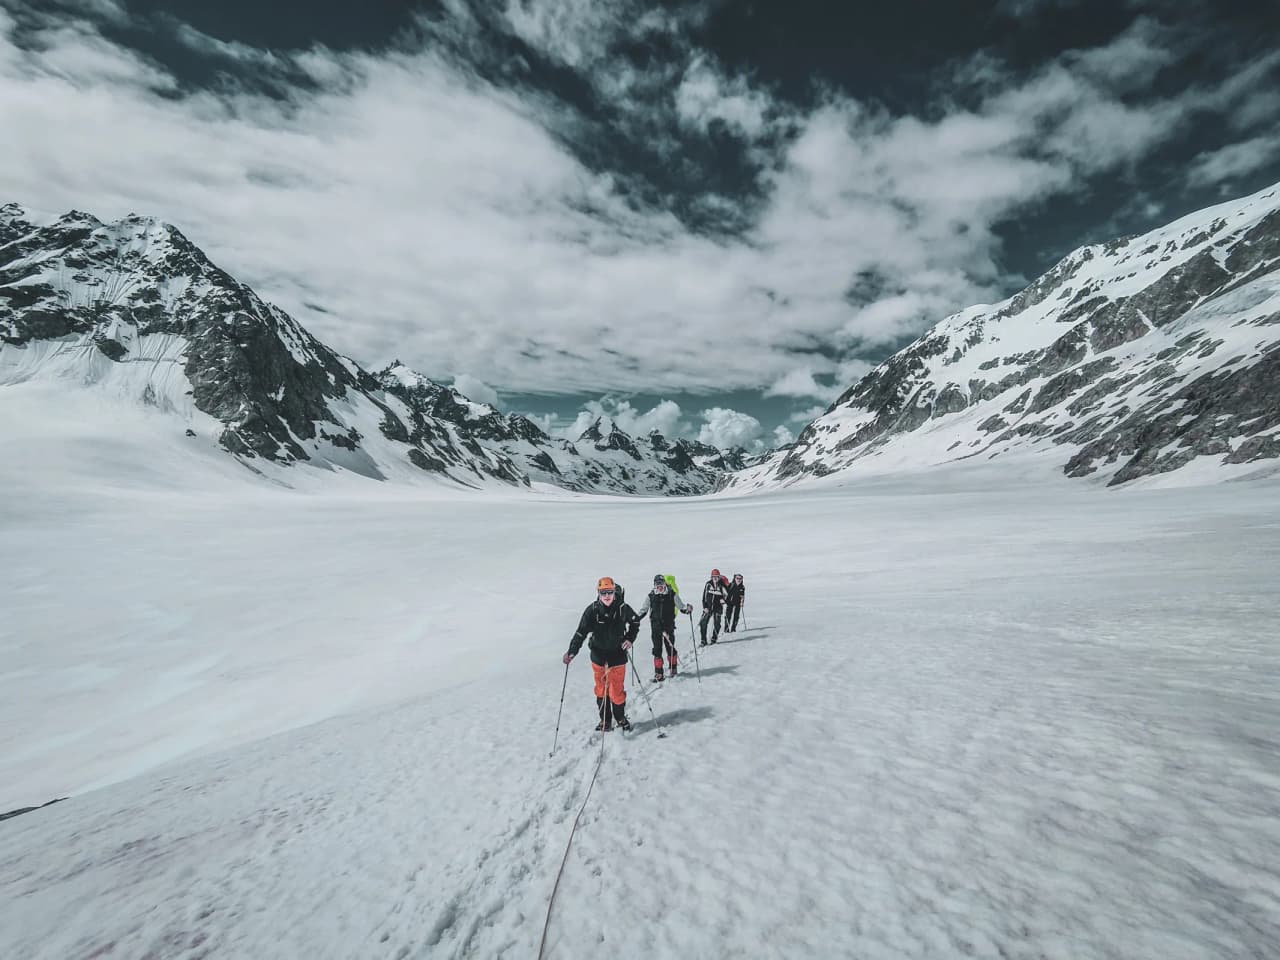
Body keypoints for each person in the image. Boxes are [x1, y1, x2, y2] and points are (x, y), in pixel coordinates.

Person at [563, 576, 640, 731]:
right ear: (598, 593)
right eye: (603, 592)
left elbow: (635, 622)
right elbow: (581, 632)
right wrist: (572, 651)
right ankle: (605, 721)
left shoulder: (623, 608)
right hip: (598, 656)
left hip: (617, 656)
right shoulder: (592, 610)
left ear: (614, 592)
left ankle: (620, 718)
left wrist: (630, 639)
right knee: (601, 690)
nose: (606, 596)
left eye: (609, 592)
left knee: (616, 692)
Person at [634, 574, 692, 682]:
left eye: (661, 584)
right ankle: (659, 673)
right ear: (654, 585)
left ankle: (673, 668)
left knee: (670, 648)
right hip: (655, 627)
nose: (659, 586)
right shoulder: (651, 596)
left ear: (665, 584)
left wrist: (687, 609)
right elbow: (644, 610)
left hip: (668, 626)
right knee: (657, 650)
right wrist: (636, 618)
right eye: (657, 584)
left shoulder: (671, 594)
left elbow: (681, 607)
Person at [699, 568, 729, 646]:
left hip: (718, 607)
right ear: (711, 577)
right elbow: (704, 597)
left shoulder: (722, 585)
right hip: (708, 607)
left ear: (719, 577)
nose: (715, 578)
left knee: (717, 623)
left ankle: (714, 638)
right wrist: (705, 607)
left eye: (716, 576)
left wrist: (723, 600)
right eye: (713, 576)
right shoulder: (708, 584)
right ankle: (703, 640)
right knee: (703, 622)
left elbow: (727, 596)